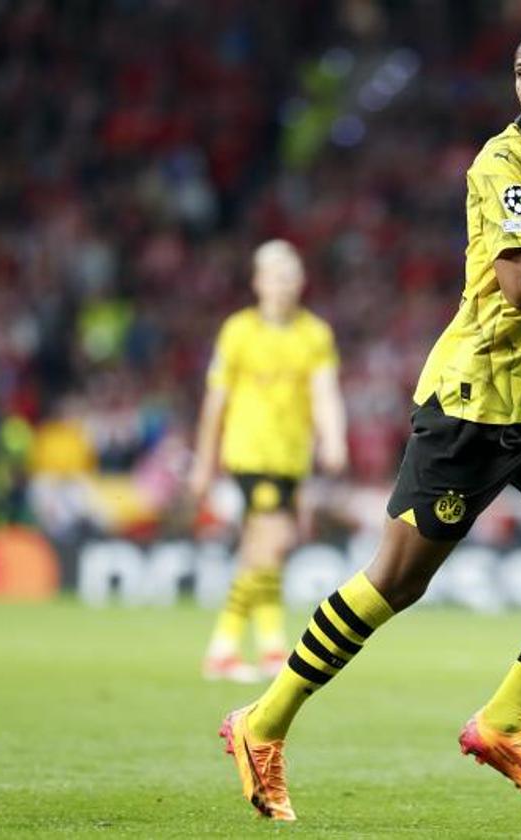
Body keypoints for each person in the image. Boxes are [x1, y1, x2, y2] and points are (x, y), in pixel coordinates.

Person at [218, 5, 521, 822]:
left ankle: (503, 720)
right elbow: (520, 281)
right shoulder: (501, 165)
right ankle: (261, 723)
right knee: (396, 582)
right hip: (471, 406)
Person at [189, 240, 348, 682]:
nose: (283, 286)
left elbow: (324, 391)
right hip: (249, 452)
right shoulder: (237, 332)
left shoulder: (314, 334)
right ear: (258, 282)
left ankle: (246, 647)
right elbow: (215, 401)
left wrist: (333, 438)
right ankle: (251, 649)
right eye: (275, 277)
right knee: (271, 541)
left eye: (291, 277)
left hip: (291, 457)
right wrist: (204, 460)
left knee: (262, 551)